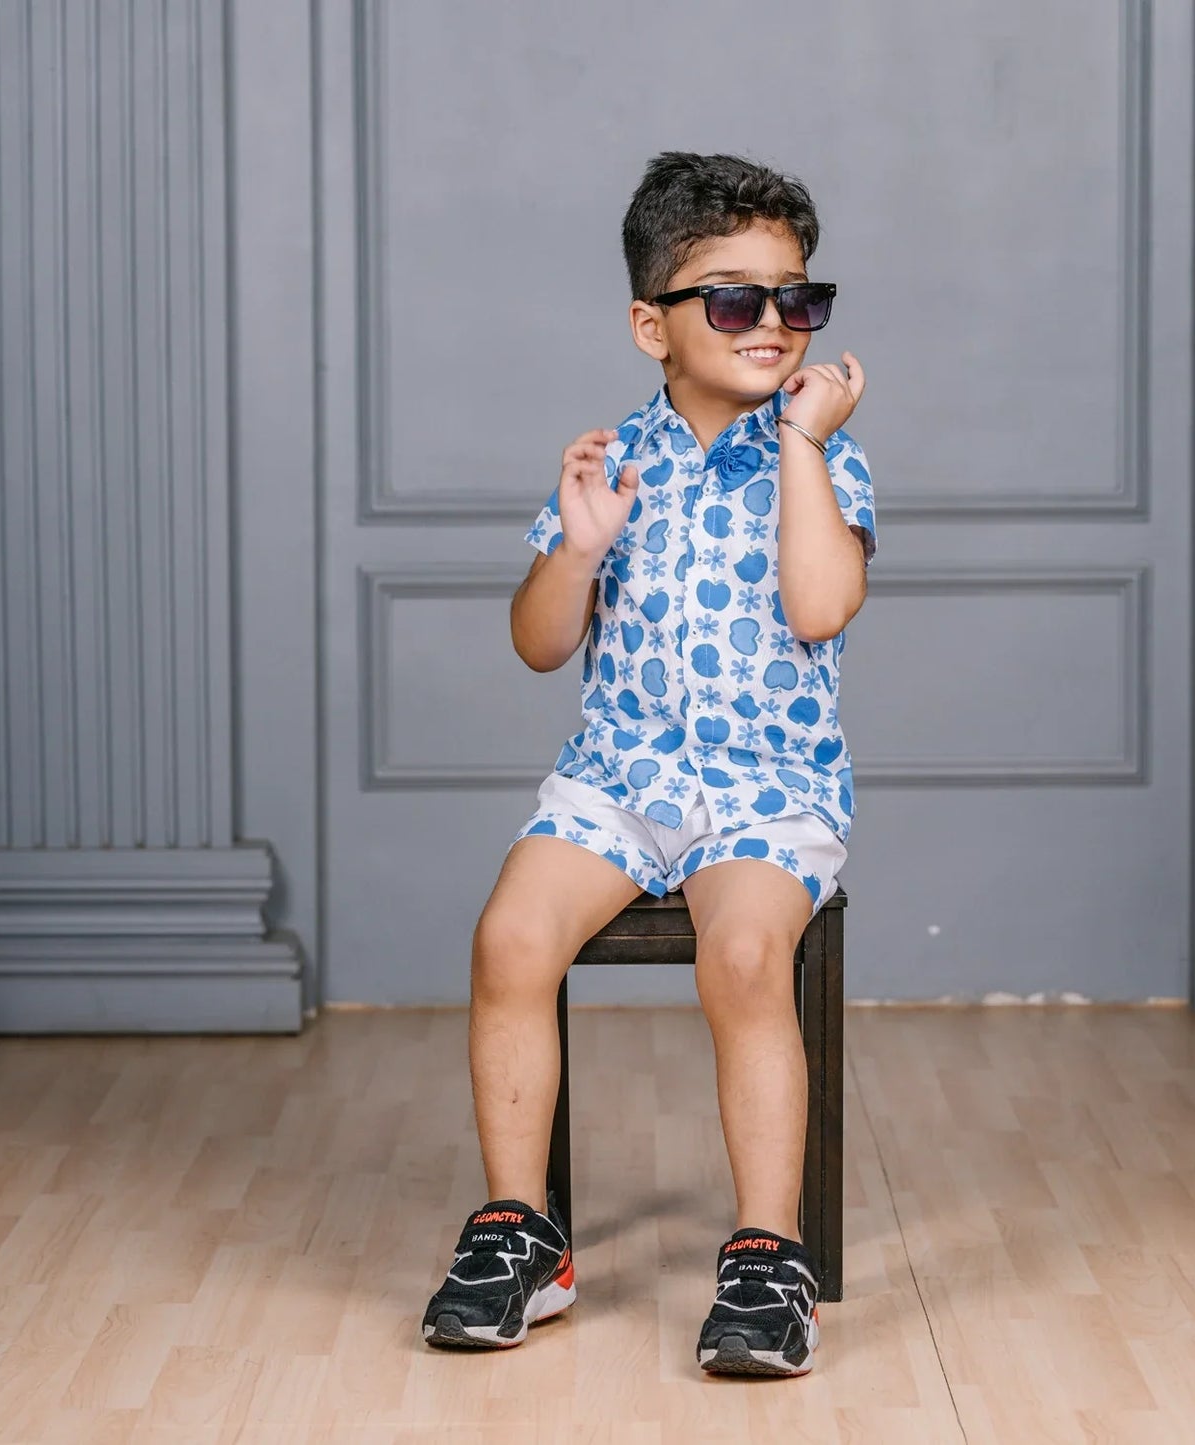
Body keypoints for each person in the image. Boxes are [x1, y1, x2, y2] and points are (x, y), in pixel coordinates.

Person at [422, 151, 876, 1377]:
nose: (773, 325)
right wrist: (574, 551)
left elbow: (823, 606)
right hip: (618, 775)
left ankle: (767, 1256)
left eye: (797, 298)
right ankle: (522, 1232)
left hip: (767, 785)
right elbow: (537, 645)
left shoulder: (825, 455)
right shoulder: (610, 461)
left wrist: (799, 447)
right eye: (732, 299)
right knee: (508, 937)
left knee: (739, 955)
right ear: (652, 326)